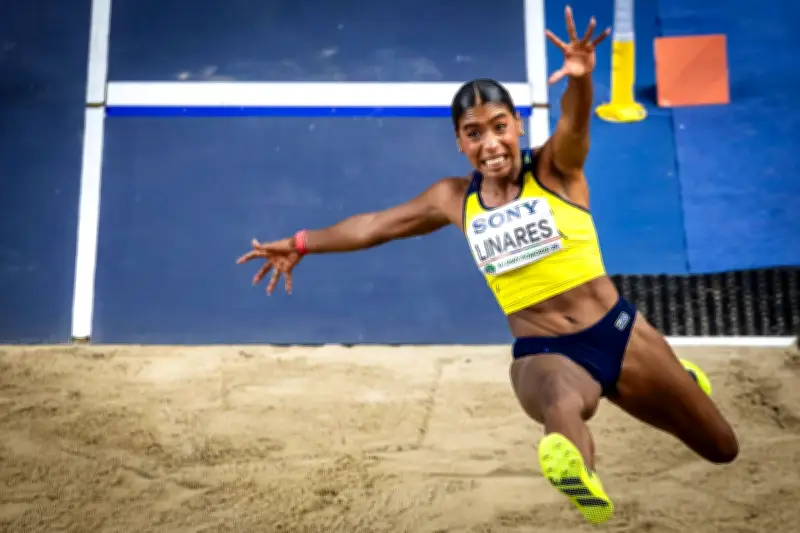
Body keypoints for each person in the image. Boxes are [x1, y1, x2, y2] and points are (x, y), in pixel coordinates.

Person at [237, 6, 739, 525]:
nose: (490, 143)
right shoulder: (453, 198)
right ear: (459, 142)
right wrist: (301, 242)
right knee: (559, 402)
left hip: (619, 333)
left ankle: (680, 377)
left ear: (517, 125)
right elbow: (373, 226)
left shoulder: (556, 168)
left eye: (499, 126)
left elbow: (574, 120)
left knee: (722, 447)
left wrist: (583, 81)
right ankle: (579, 474)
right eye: (473, 133)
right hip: (546, 351)